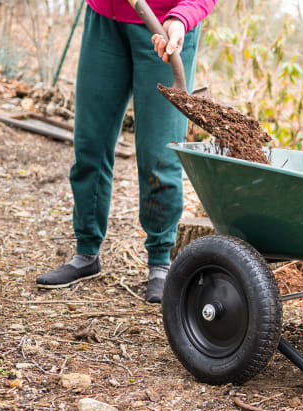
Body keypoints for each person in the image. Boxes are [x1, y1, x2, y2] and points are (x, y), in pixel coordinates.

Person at [36, 0, 217, 303]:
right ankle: (86, 252)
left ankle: (160, 261)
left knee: (159, 155)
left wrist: (181, 18)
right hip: (105, 20)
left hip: (164, 27)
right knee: (90, 142)